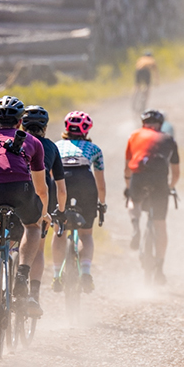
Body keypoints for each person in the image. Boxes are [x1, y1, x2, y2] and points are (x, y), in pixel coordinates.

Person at [0, 96, 49, 343]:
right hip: (20, 189)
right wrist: (43, 212)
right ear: (19, 123)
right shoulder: (33, 141)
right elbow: (41, 188)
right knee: (33, 226)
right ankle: (22, 274)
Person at [124, 109, 180, 285]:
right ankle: (160, 268)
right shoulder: (168, 139)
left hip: (139, 176)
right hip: (159, 180)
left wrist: (128, 186)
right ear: (160, 125)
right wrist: (169, 188)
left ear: (143, 124)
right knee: (160, 224)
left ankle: (135, 227)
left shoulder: (134, 136)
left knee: (134, 201)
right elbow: (176, 173)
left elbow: (127, 167)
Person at [21, 105, 67, 310]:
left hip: (14, 190)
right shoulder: (51, 147)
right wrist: (61, 212)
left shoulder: (14, 142)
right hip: (40, 195)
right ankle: (33, 296)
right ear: (45, 128)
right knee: (37, 247)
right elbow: (61, 188)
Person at [54, 111, 106, 292]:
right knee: (86, 234)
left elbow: (49, 175)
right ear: (87, 129)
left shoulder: (56, 146)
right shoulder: (95, 150)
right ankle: (85, 273)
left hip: (62, 182)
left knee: (59, 232)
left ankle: (55, 276)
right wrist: (102, 203)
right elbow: (101, 183)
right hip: (85, 181)